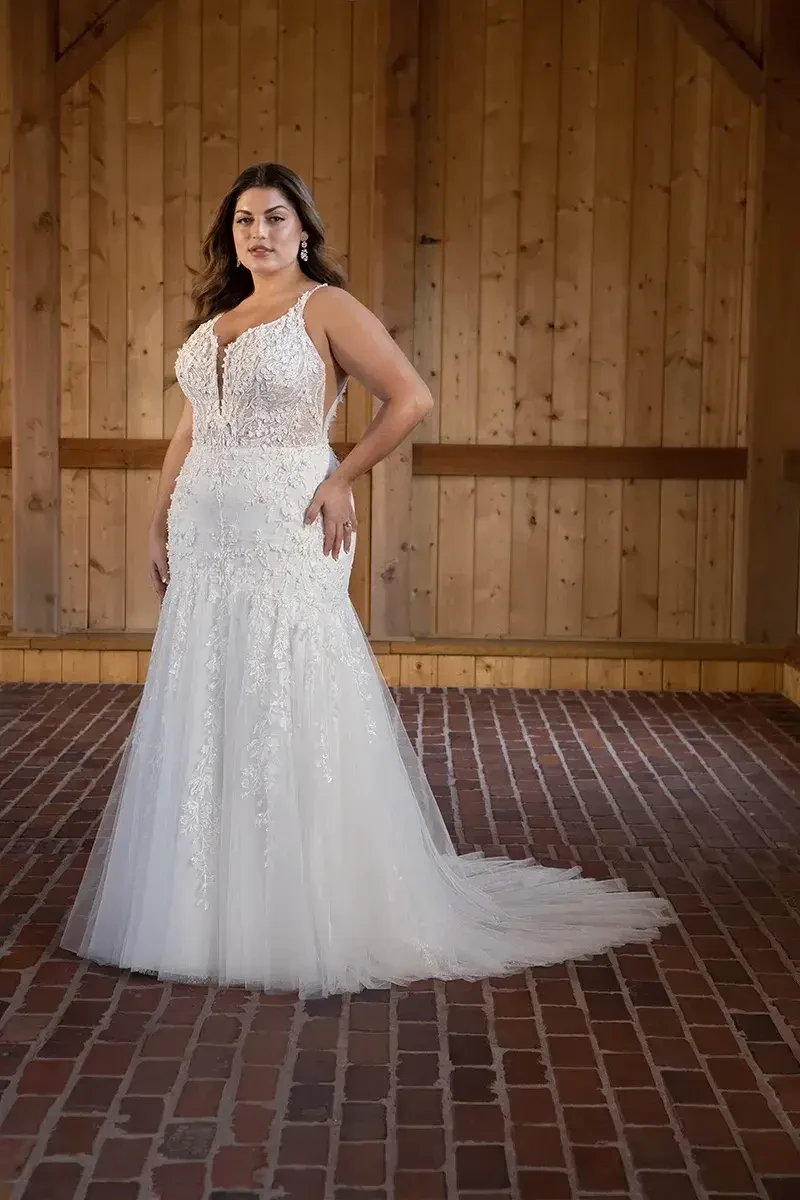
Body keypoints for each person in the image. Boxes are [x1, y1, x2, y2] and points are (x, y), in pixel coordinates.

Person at [60, 163, 672, 996]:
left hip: (289, 523)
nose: (259, 234)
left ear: (302, 229)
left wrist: (342, 476)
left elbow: (410, 397)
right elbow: (191, 427)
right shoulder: (221, 319)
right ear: (230, 234)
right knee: (209, 690)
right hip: (207, 527)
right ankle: (204, 897)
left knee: (288, 687)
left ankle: (306, 900)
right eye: (244, 221)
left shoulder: (326, 309)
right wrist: (158, 516)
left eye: (275, 218)